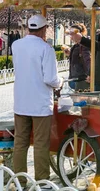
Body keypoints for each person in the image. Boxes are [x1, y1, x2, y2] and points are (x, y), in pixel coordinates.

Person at [12, 14, 63, 185]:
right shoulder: (46, 49)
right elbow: (51, 79)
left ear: (28, 28)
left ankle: (19, 181)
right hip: (40, 104)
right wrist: (61, 81)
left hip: (20, 101)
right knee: (41, 143)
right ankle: (42, 182)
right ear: (43, 29)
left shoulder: (16, 45)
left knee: (20, 142)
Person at [67, 23, 91, 91]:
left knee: (80, 99)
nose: (70, 36)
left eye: (72, 33)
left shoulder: (83, 45)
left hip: (81, 79)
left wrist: (90, 74)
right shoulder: (75, 46)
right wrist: (70, 54)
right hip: (75, 78)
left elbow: (88, 60)